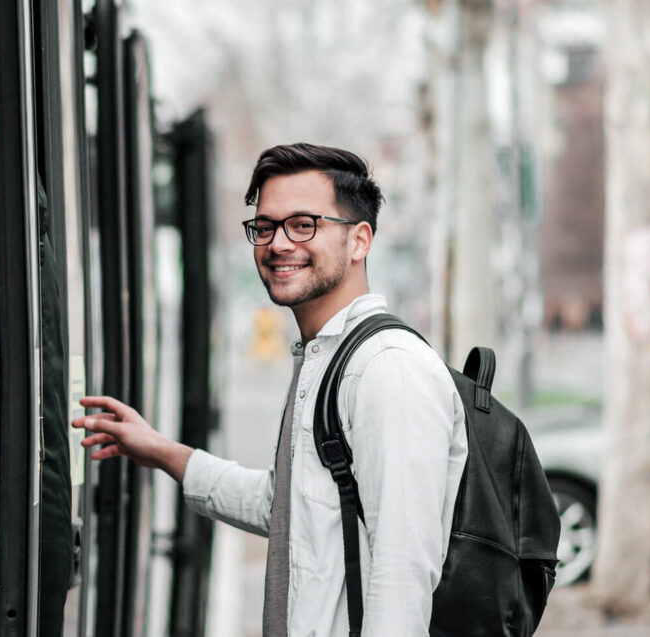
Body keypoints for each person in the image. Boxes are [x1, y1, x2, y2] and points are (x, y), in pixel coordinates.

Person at [74, 143, 467, 636]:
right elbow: (286, 509)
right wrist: (160, 452)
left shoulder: (387, 369)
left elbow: (403, 574)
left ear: (360, 241)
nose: (279, 243)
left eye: (305, 224)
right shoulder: (327, 358)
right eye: (265, 226)